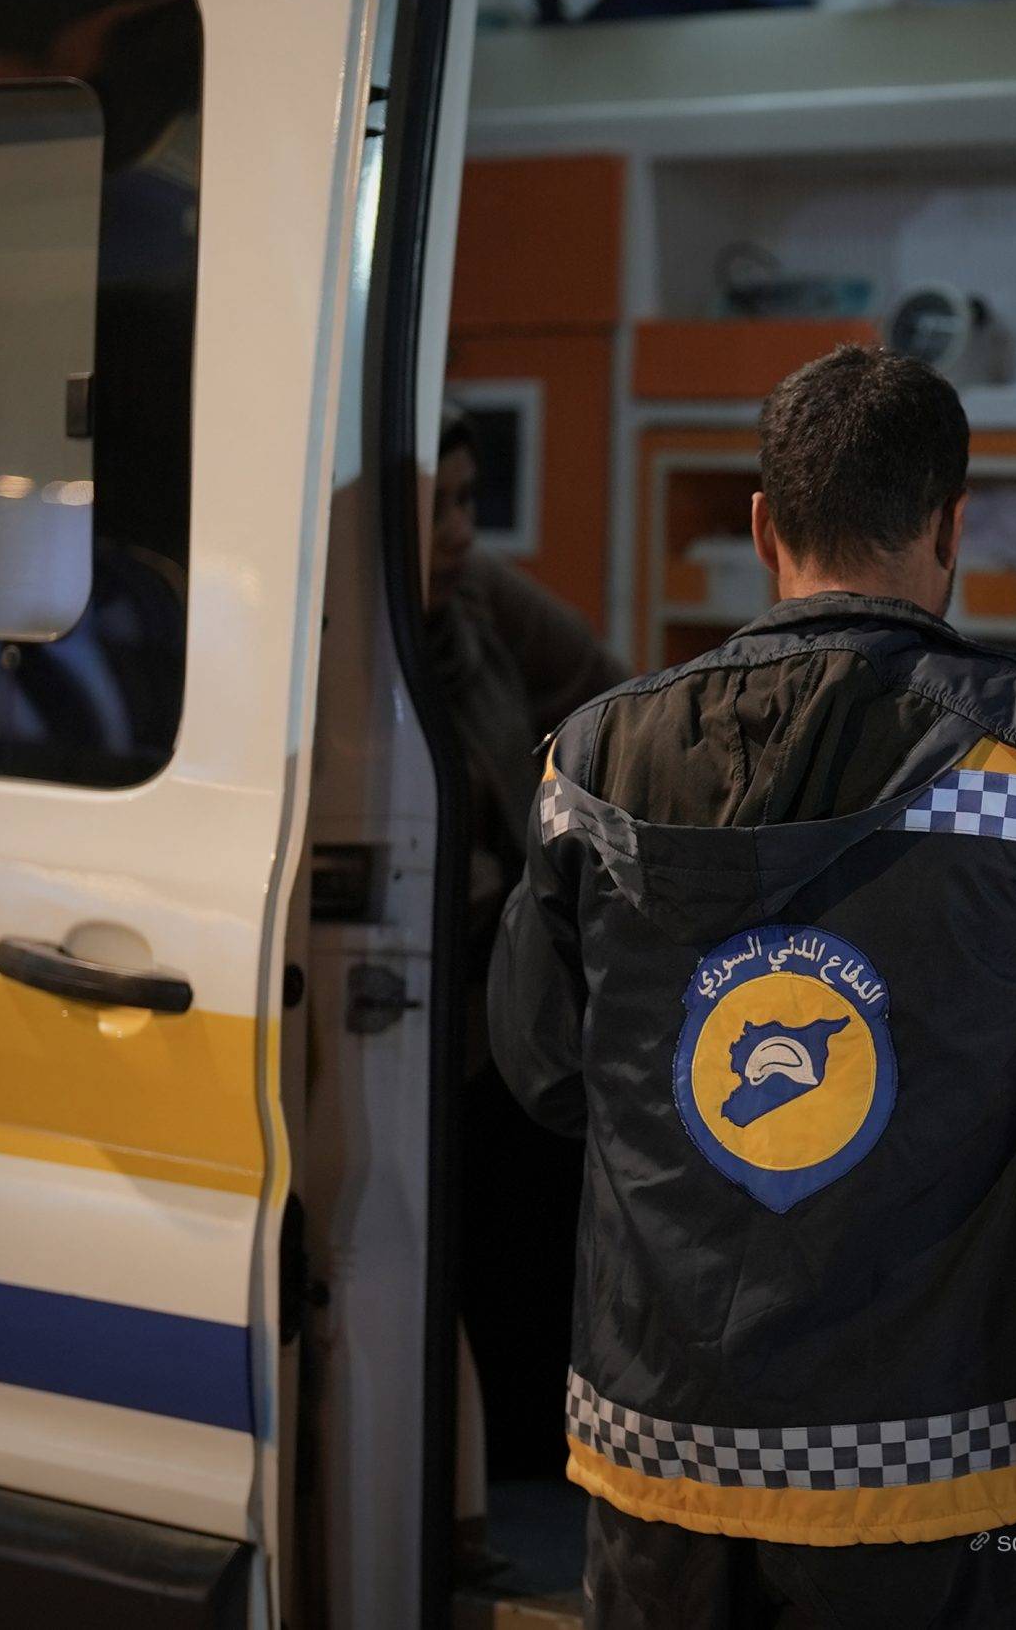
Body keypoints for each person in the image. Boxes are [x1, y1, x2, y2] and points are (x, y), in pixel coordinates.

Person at [487, 346, 1016, 1628]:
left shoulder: (590, 763)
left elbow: (544, 1071)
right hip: (942, 1454)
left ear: (763, 527)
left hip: (663, 1440)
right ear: (950, 527)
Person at [428, 407, 628, 1490]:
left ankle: (525, 1470)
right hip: (422, 1000)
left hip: (505, 977)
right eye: (436, 507)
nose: (460, 529)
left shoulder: (472, 603)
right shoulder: (340, 637)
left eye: (467, 499)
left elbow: (612, 694)